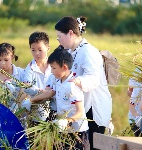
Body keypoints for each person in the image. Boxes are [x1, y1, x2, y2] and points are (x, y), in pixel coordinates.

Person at [54, 16, 112, 150]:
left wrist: (77, 81)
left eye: (59, 36)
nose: (59, 40)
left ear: (70, 33)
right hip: (80, 107)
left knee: (92, 145)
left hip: (93, 109)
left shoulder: (88, 51)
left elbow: (93, 79)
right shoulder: (70, 51)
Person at [23, 48, 88, 149]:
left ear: (64, 67)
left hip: (77, 131)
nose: (52, 72)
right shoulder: (59, 81)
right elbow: (50, 93)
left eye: (53, 68)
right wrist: (31, 100)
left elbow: (80, 112)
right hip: (63, 128)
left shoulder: (72, 85)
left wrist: (67, 121)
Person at [22, 31, 52, 123]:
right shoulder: (30, 68)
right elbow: (27, 87)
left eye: (40, 50)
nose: (37, 53)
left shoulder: (54, 66)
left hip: (54, 110)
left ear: (48, 48)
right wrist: (42, 92)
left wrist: (49, 93)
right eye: (33, 50)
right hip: (37, 113)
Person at [0, 42, 25, 112]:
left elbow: (25, 90)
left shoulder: (21, 73)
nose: (3, 63)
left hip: (20, 112)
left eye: (6, 60)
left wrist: (16, 105)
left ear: (12, 57)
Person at [127, 36, 142, 137]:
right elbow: (130, 92)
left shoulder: (138, 70)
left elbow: (129, 92)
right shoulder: (139, 72)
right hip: (138, 118)